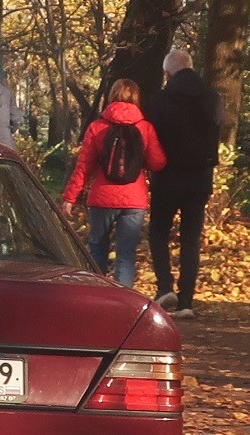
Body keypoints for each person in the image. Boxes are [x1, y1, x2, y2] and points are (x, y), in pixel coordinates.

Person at [61, 79, 166, 288]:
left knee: (97, 247)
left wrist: (69, 198)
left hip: (102, 198)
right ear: (136, 98)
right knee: (126, 254)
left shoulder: (97, 127)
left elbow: (83, 166)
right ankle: (122, 299)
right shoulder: (145, 128)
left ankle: (97, 294)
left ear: (111, 96)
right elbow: (158, 162)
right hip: (134, 200)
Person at [144, 48, 223, 319]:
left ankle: (165, 286)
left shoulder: (159, 100)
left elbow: (152, 138)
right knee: (191, 239)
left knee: (158, 232)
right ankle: (186, 301)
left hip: (166, 178)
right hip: (199, 179)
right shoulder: (212, 98)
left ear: (168, 73)